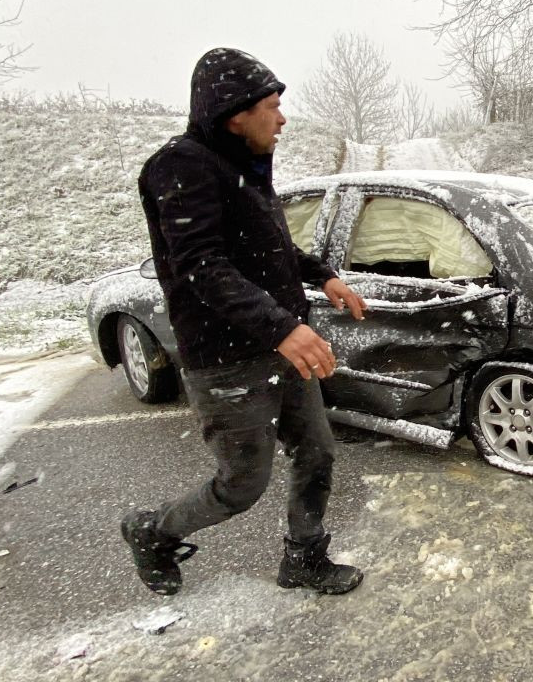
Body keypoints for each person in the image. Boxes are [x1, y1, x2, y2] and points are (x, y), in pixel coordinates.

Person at [121, 47, 368, 597]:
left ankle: (304, 557)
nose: (283, 119)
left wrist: (321, 275)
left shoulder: (243, 169)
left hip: (279, 348)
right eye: (274, 106)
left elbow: (269, 251)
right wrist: (282, 326)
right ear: (236, 112)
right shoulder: (180, 166)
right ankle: (152, 530)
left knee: (317, 451)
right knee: (241, 485)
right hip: (227, 359)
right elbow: (200, 267)